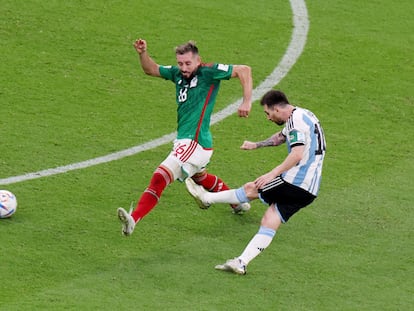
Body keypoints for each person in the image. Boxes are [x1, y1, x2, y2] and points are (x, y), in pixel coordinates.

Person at [117, 39, 253, 236]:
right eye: (180, 63)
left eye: (188, 63)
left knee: (159, 177)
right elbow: (151, 69)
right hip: (189, 141)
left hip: (194, 143)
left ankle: (134, 219)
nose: (184, 68)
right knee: (201, 177)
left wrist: (247, 101)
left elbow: (244, 70)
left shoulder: (208, 72)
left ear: (198, 61)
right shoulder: (177, 75)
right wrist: (142, 53)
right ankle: (238, 203)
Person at [185, 90, 326, 275]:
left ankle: (207, 198)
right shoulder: (304, 115)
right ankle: (241, 262)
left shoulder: (295, 122)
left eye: (268, 113)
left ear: (276, 108)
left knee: (252, 188)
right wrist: (256, 144)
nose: (268, 118)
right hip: (310, 190)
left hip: (296, 181)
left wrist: (272, 174)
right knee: (270, 219)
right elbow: (281, 137)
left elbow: (297, 154)